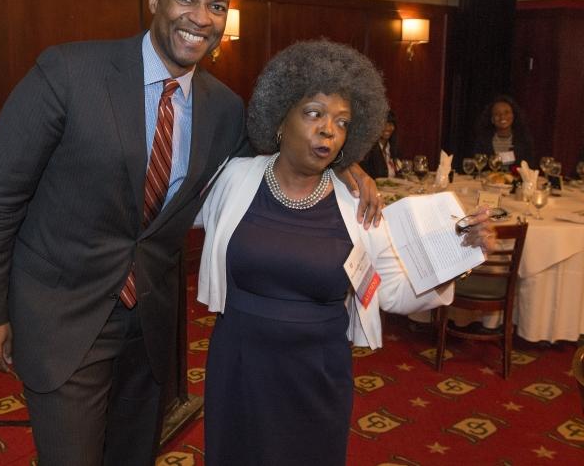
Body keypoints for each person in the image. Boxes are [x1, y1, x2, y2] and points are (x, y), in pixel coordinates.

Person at [0, 0, 383, 466]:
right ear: (155, 0)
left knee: (133, 456)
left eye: (217, 6)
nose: (201, 18)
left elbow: (282, 160)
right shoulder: (69, 72)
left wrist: (346, 164)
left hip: (151, 327)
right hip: (62, 314)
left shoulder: (224, 109)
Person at [197, 40, 495, 466]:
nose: (328, 130)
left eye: (342, 122)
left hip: (317, 375)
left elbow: (391, 292)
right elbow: (169, 208)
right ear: (281, 118)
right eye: (314, 113)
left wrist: (458, 255)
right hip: (240, 367)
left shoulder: (358, 206)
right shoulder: (233, 179)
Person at [470, 94, 535, 168]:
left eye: (506, 112)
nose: (502, 117)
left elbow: (529, 168)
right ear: (492, 119)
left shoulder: (524, 140)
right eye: (497, 114)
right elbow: (478, 167)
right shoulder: (483, 140)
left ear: (513, 116)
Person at [361, 110, 399, 178]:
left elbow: (399, 172)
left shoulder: (393, 148)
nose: (387, 128)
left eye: (390, 124)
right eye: (383, 124)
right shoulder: (368, 151)